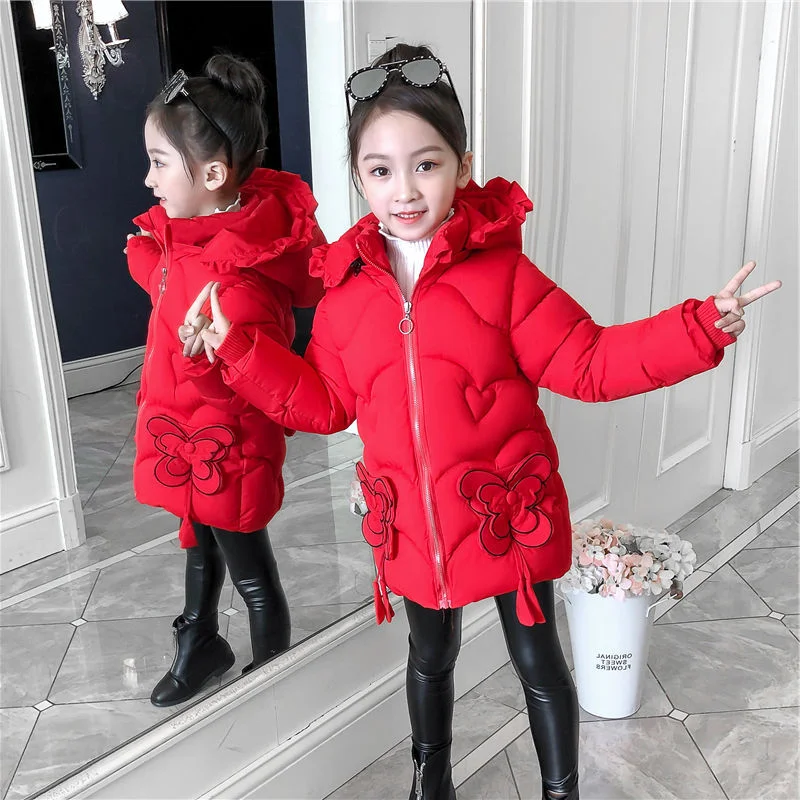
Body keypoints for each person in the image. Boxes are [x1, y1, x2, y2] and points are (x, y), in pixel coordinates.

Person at [189, 44, 781, 798]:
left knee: (537, 660)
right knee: (428, 656)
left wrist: (696, 327)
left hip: (506, 514)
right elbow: (325, 404)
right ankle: (430, 777)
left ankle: (560, 788)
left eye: (426, 165)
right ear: (360, 177)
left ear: (462, 167)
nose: (405, 190)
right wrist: (238, 350)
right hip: (412, 523)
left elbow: (590, 362)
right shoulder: (343, 298)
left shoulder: (504, 278)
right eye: (380, 170)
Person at [125, 54, 324, 707]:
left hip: (226, 450)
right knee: (199, 545)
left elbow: (254, 381)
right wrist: (146, 257)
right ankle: (201, 641)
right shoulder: (187, 242)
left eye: (159, 162)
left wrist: (210, 353)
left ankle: (273, 684)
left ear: (212, 175)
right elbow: (166, 285)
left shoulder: (237, 278)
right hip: (189, 437)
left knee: (251, 573)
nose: (148, 178)